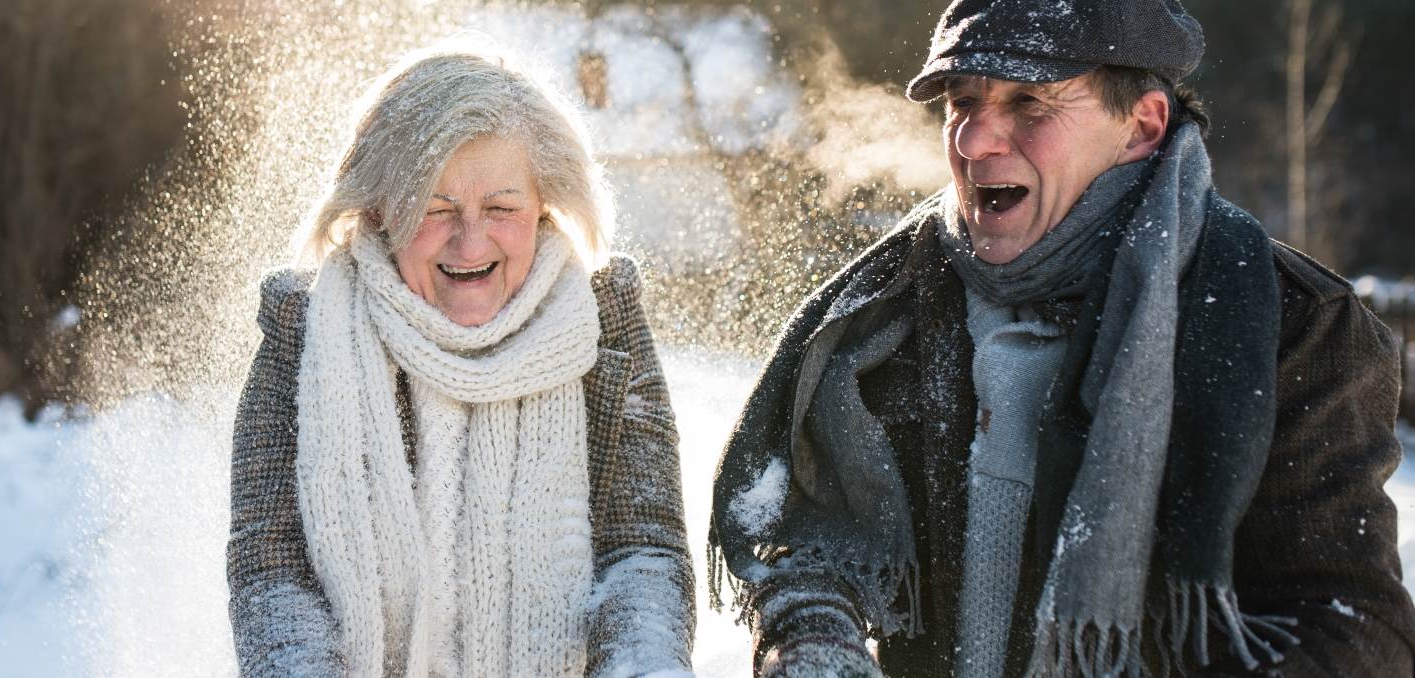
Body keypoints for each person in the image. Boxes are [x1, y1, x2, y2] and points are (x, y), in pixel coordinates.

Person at [707, 1, 1415, 676]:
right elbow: (807, 546)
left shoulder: (1296, 324)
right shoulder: (888, 311)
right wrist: (813, 640)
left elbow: (1353, 630)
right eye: (961, 101)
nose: (972, 139)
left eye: (1029, 103)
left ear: (1142, 126)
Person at [226, 44, 693, 677]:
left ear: (544, 206)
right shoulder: (304, 333)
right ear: (379, 211)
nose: (470, 242)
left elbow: (643, 551)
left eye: (502, 209)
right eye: (434, 209)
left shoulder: (604, 324)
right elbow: (272, 569)